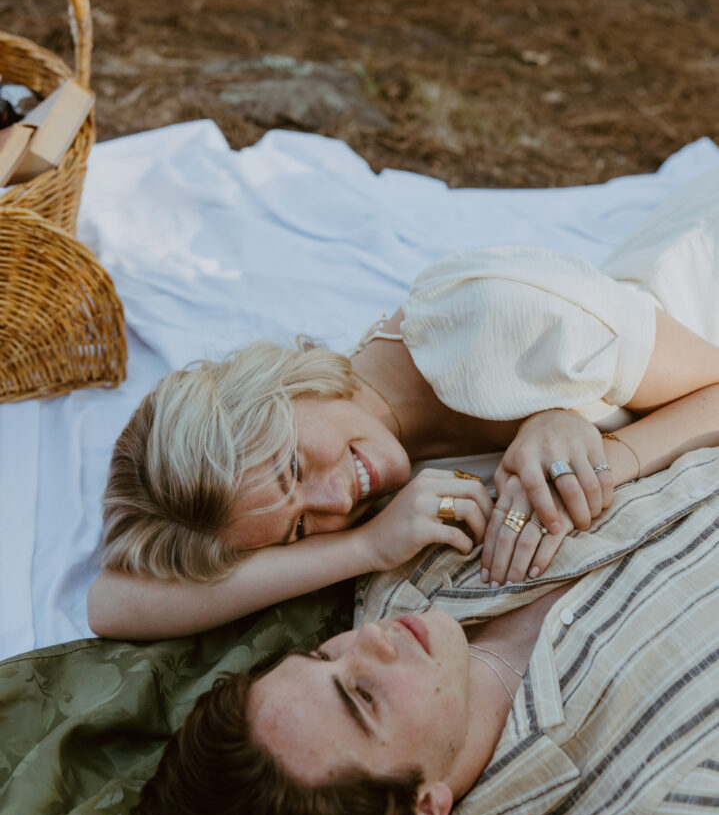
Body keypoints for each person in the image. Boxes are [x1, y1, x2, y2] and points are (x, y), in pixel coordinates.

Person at [88, 168, 719, 640]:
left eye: (294, 471)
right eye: (300, 530)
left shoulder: (503, 319)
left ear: (281, 390)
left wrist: (594, 437)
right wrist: (367, 548)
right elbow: (112, 604)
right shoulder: (367, 441)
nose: (338, 501)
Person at [131, 443, 719, 815]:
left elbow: (118, 596)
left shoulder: (404, 563)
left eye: (320, 656)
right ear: (424, 811)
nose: (369, 641)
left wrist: (564, 430)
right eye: (363, 697)